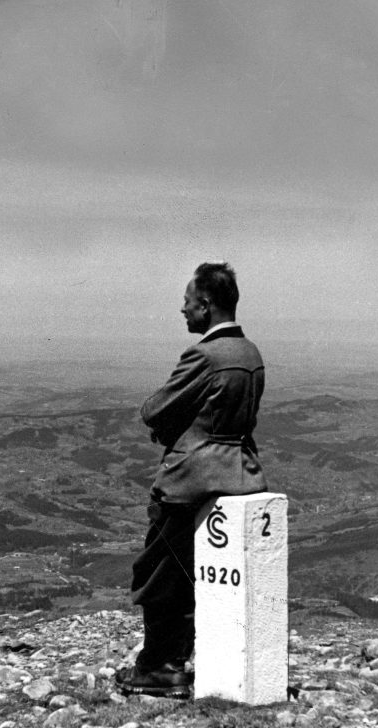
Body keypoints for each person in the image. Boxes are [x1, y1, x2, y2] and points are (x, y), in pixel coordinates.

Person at [116, 262, 267, 698]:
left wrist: (170, 428)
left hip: (191, 478)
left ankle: (161, 666)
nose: (183, 310)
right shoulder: (250, 353)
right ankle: (184, 660)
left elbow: (156, 410)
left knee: (161, 573)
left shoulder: (205, 355)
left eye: (187, 302)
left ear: (205, 304)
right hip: (241, 470)